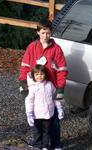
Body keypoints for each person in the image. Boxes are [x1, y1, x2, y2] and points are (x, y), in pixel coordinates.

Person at [18, 18, 68, 150]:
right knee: (36, 119)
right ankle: (39, 144)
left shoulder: (56, 49)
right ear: (38, 32)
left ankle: (56, 144)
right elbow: (25, 66)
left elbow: (62, 70)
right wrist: (23, 83)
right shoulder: (32, 47)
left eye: (48, 33)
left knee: (54, 119)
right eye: (43, 32)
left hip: (51, 87)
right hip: (35, 87)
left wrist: (60, 88)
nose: (46, 35)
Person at [25, 64, 64, 150]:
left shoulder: (49, 85)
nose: (39, 76)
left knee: (46, 131)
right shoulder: (32, 88)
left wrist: (59, 107)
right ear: (33, 75)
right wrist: (29, 113)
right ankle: (37, 145)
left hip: (48, 114)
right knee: (37, 131)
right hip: (37, 115)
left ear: (45, 75)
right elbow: (29, 101)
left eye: (41, 74)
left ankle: (45, 146)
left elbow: (55, 97)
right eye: (37, 74)